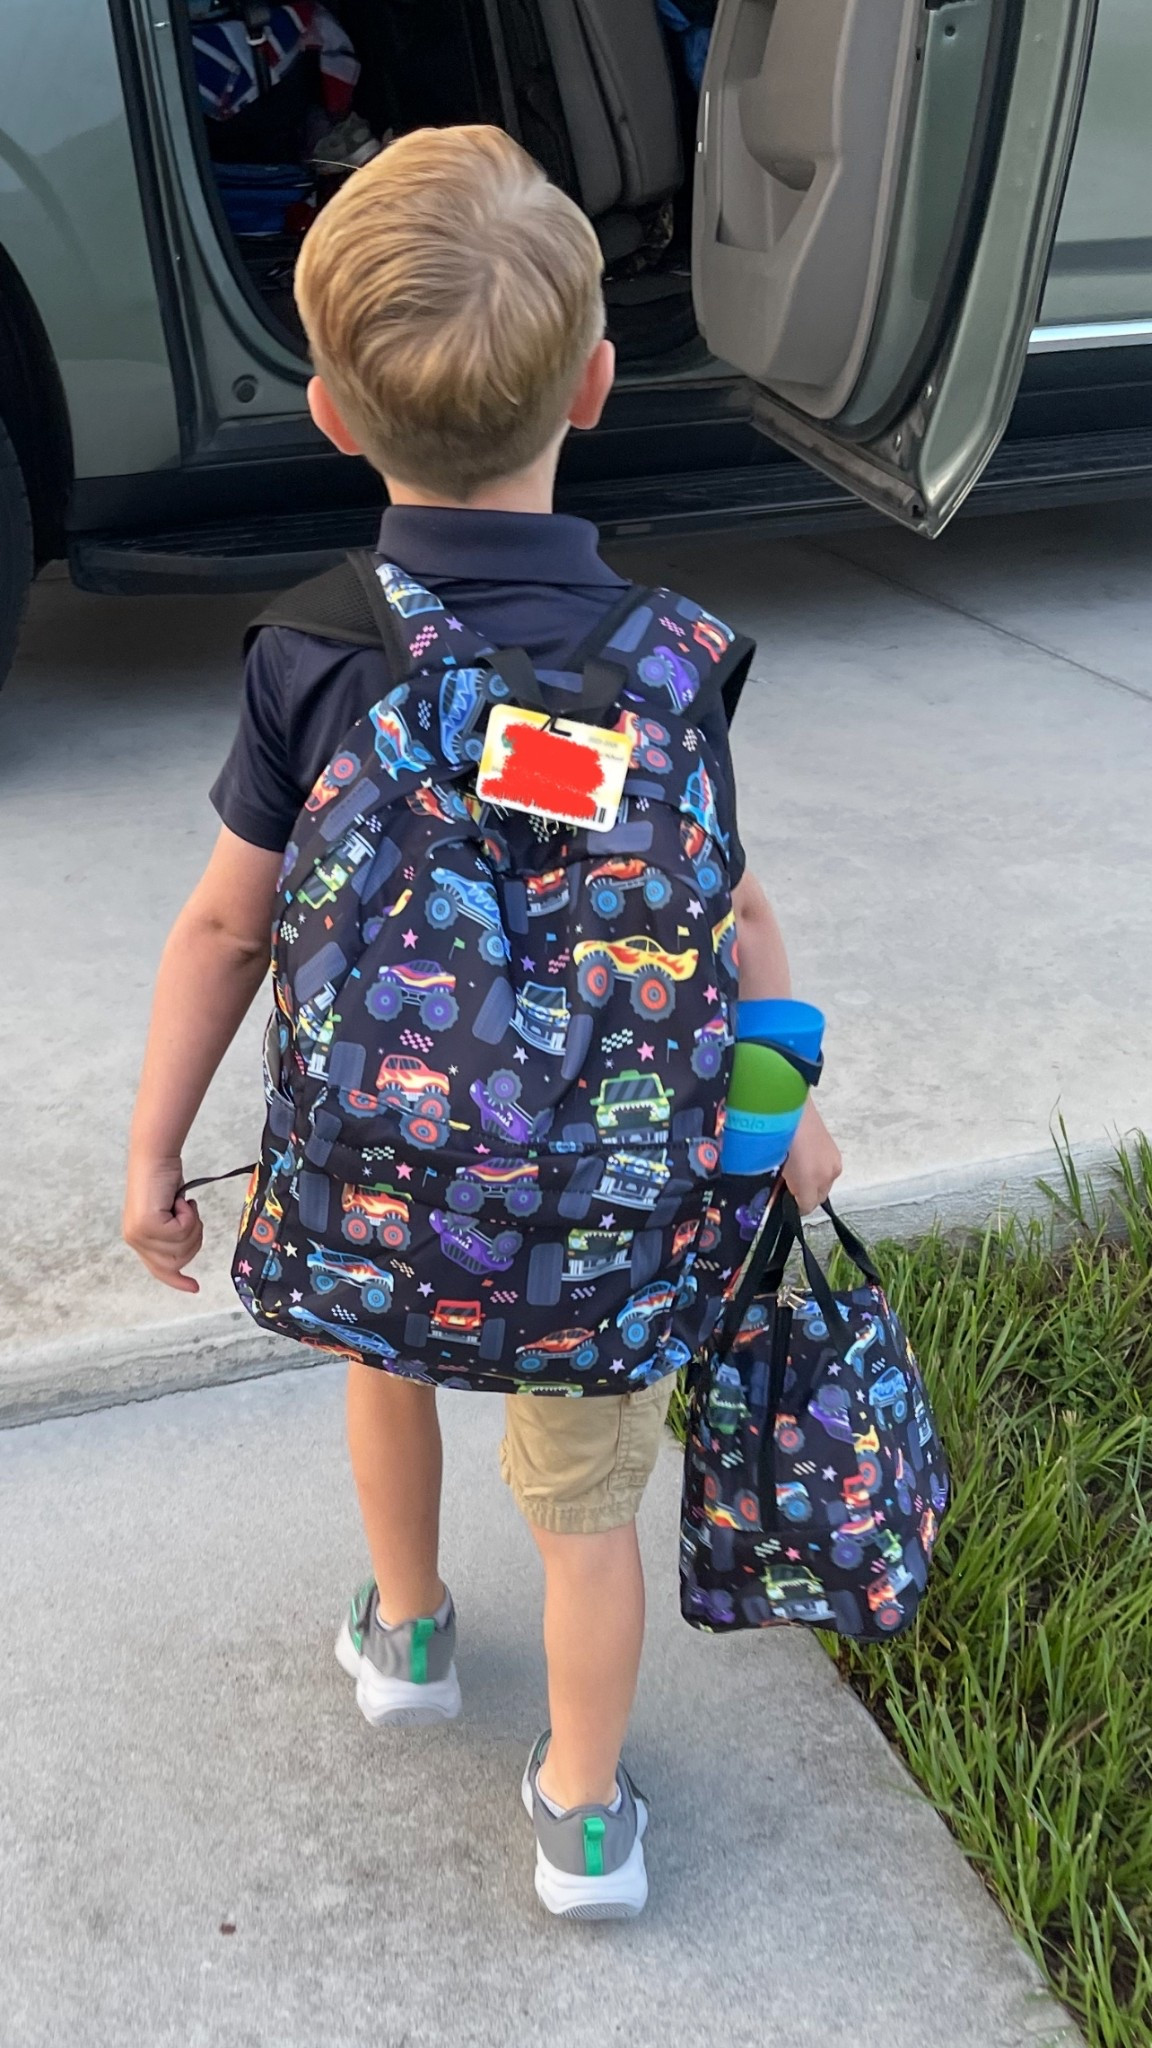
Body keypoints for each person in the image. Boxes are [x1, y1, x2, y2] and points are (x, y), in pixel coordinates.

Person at [123, 124, 842, 1920]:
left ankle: (412, 1632)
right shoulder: (672, 665)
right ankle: (588, 1817)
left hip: (387, 1183)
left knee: (388, 1368)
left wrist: (152, 1150)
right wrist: (793, 1104)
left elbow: (223, 928)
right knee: (586, 1502)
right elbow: (724, 900)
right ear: (598, 384)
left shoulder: (311, 652)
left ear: (331, 414)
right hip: (599, 1217)